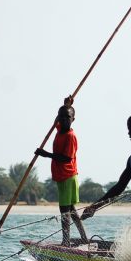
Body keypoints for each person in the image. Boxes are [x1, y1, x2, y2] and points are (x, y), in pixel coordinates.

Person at [35, 95, 82, 246]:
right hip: (61, 177)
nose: (63, 120)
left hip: (68, 176)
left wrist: (45, 154)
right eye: (61, 117)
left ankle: (65, 242)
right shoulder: (60, 128)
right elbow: (57, 120)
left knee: (65, 211)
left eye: (67, 117)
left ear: (73, 119)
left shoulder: (70, 136)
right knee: (71, 210)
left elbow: (66, 159)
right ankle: (84, 238)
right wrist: (65, 105)